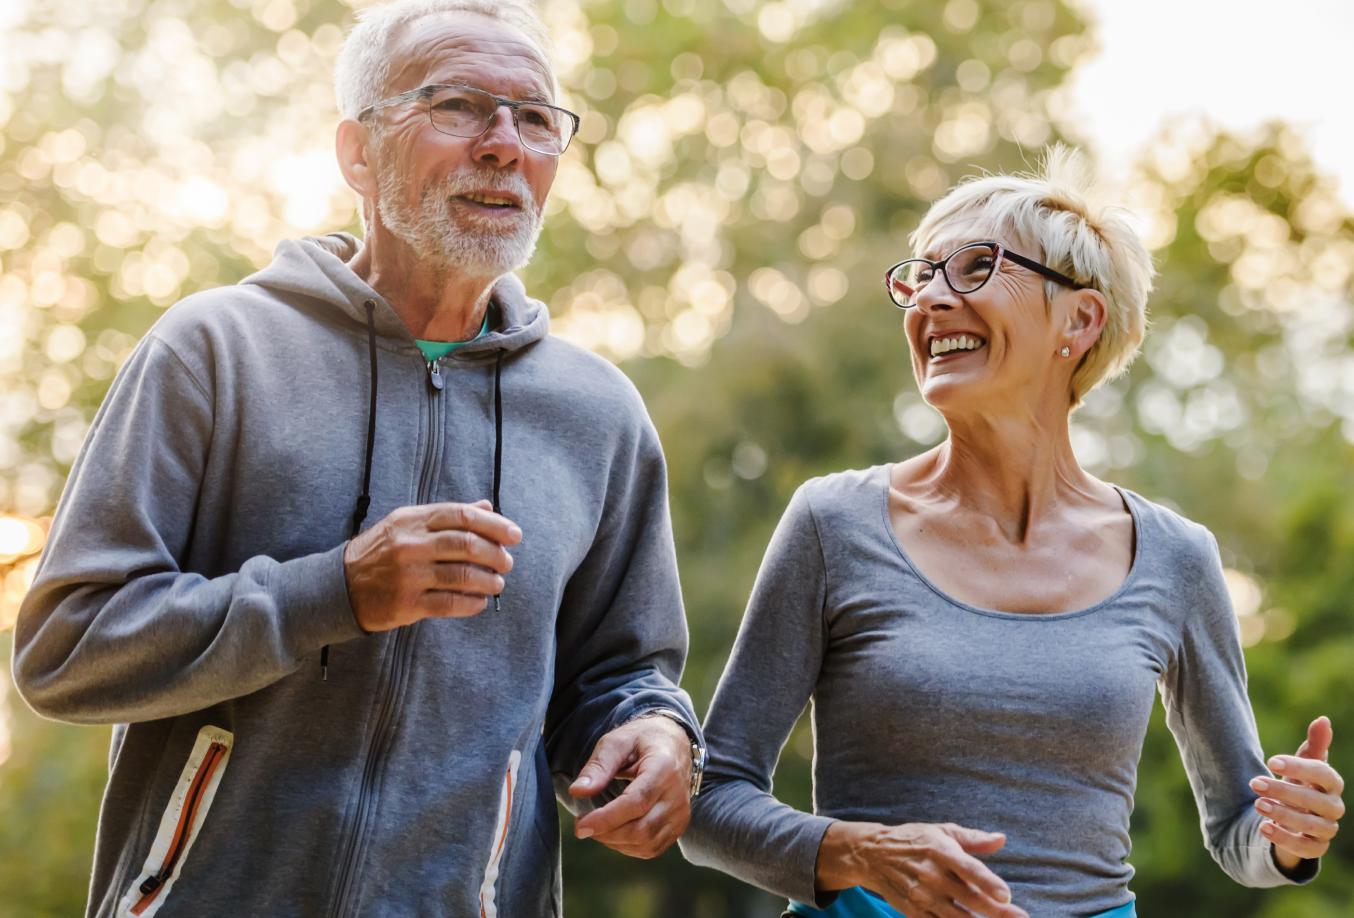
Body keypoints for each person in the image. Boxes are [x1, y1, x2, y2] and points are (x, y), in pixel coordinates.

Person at [13, 2, 705, 915]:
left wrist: (656, 732)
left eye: (535, 118)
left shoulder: (598, 413)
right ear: (356, 153)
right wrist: (333, 594)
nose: (504, 145)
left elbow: (621, 671)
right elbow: (66, 647)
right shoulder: (215, 350)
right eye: (458, 106)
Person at [679, 148, 1344, 918]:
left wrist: (1288, 837)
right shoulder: (835, 523)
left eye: (973, 268)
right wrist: (859, 852)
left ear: (1080, 319)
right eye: (919, 278)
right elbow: (710, 800)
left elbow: (1239, 834)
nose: (931, 299)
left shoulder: (1176, 557)